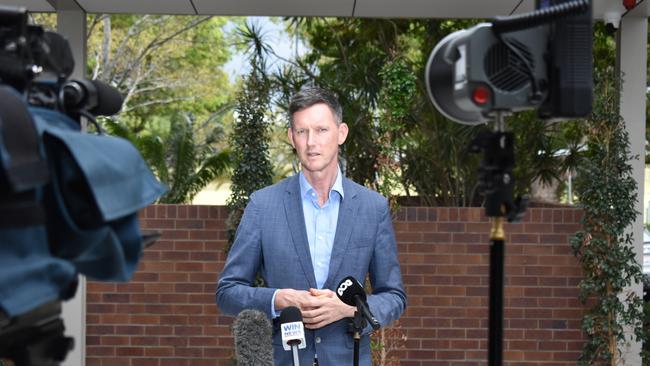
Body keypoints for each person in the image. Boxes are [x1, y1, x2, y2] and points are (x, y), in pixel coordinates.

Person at [216, 87, 406, 366]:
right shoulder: (263, 205)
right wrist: (278, 298)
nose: (311, 142)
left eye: (321, 130)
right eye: (302, 132)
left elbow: (394, 296)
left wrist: (347, 310)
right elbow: (227, 292)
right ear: (291, 137)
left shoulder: (372, 208)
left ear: (341, 133)